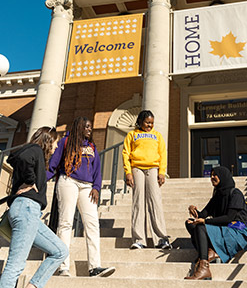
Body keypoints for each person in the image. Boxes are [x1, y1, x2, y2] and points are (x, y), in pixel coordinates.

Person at [0, 127, 69, 288]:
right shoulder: (34, 150)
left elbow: (15, 158)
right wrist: (30, 180)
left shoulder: (36, 155)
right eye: (55, 142)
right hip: (26, 209)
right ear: (48, 140)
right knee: (15, 265)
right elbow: (23, 158)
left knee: (60, 251)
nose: (57, 146)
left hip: (31, 212)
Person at [47, 117, 115, 277]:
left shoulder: (92, 146)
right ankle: (63, 266)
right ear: (79, 127)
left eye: (91, 127)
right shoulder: (66, 141)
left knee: (92, 224)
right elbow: (53, 165)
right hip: (68, 181)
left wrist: (97, 188)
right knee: (65, 223)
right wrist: (39, 181)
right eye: (87, 127)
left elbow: (97, 170)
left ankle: (94, 267)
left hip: (87, 187)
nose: (89, 130)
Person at [185, 166, 247, 280]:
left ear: (222, 176)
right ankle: (210, 251)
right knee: (191, 223)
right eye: (211, 175)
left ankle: (204, 267)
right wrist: (193, 210)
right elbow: (202, 215)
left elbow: (229, 218)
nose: (211, 177)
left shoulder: (236, 194)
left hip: (238, 232)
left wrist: (205, 221)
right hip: (224, 230)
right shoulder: (217, 196)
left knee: (201, 227)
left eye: (214, 175)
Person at [122, 110, 171, 250]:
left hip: (153, 169)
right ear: (140, 121)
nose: (150, 125)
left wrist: (162, 172)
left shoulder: (157, 135)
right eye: (147, 122)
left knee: (155, 202)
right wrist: (128, 173)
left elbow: (163, 153)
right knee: (138, 203)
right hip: (136, 168)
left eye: (152, 123)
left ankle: (161, 239)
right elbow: (126, 154)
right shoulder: (132, 135)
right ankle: (139, 239)